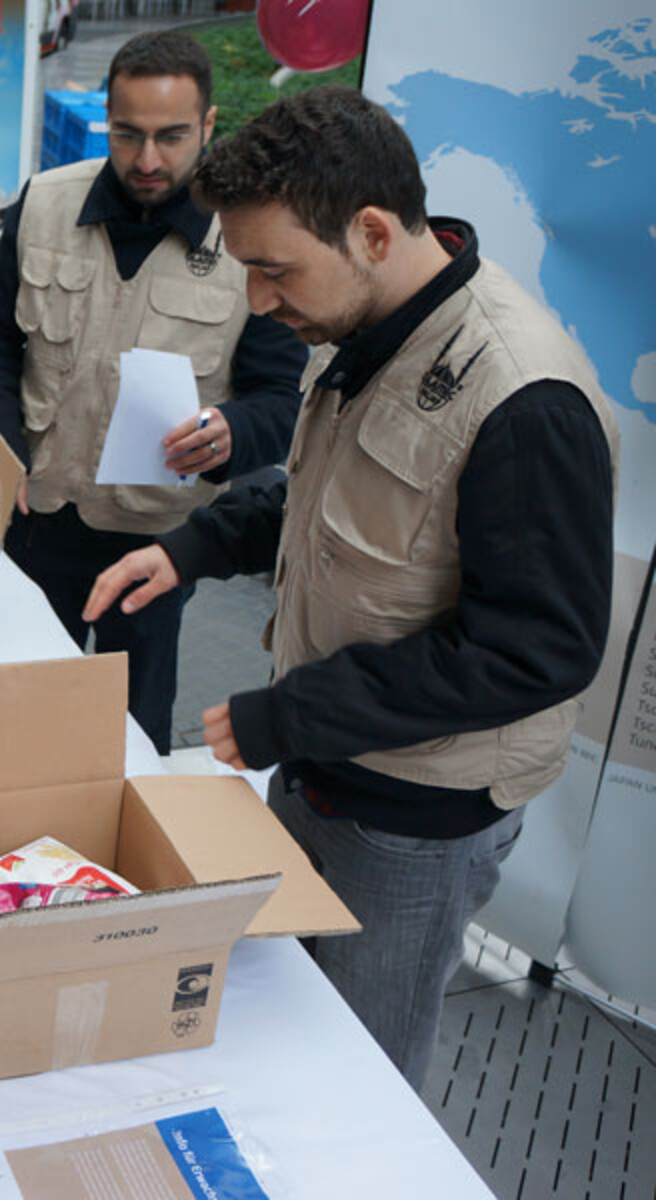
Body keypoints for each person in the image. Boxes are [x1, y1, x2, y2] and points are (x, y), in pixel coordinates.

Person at [84, 87, 618, 1088]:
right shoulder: (370, 326)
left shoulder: (524, 396)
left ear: (371, 232)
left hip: (417, 818)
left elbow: (534, 652)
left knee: (358, 1075)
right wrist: (192, 550)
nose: (257, 304)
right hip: (325, 767)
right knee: (283, 1031)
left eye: (272, 270)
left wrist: (294, 713)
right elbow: (326, 494)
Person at [0, 30, 305, 753]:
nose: (148, 160)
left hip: (155, 543)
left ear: (209, 126)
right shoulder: (47, 202)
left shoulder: (249, 241)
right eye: (128, 134)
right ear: (106, 121)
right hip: (34, 519)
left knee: (128, 740)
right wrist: (0, 442)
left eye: (173, 136)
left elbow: (279, 399)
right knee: (9, 717)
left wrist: (231, 434)